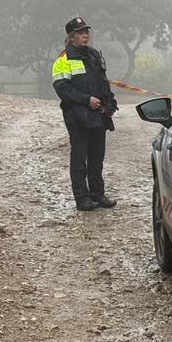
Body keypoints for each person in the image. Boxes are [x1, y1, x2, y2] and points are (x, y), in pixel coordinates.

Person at [51, 17, 118, 211]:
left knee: (97, 158)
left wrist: (109, 102)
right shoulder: (63, 60)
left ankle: (98, 194)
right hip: (77, 117)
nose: (85, 35)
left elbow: (103, 82)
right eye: (80, 33)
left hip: (98, 116)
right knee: (79, 159)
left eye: (86, 31)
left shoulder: (94, 55)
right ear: (72, 37)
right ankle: (82, 198)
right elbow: (62, 89)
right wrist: (86, 99)